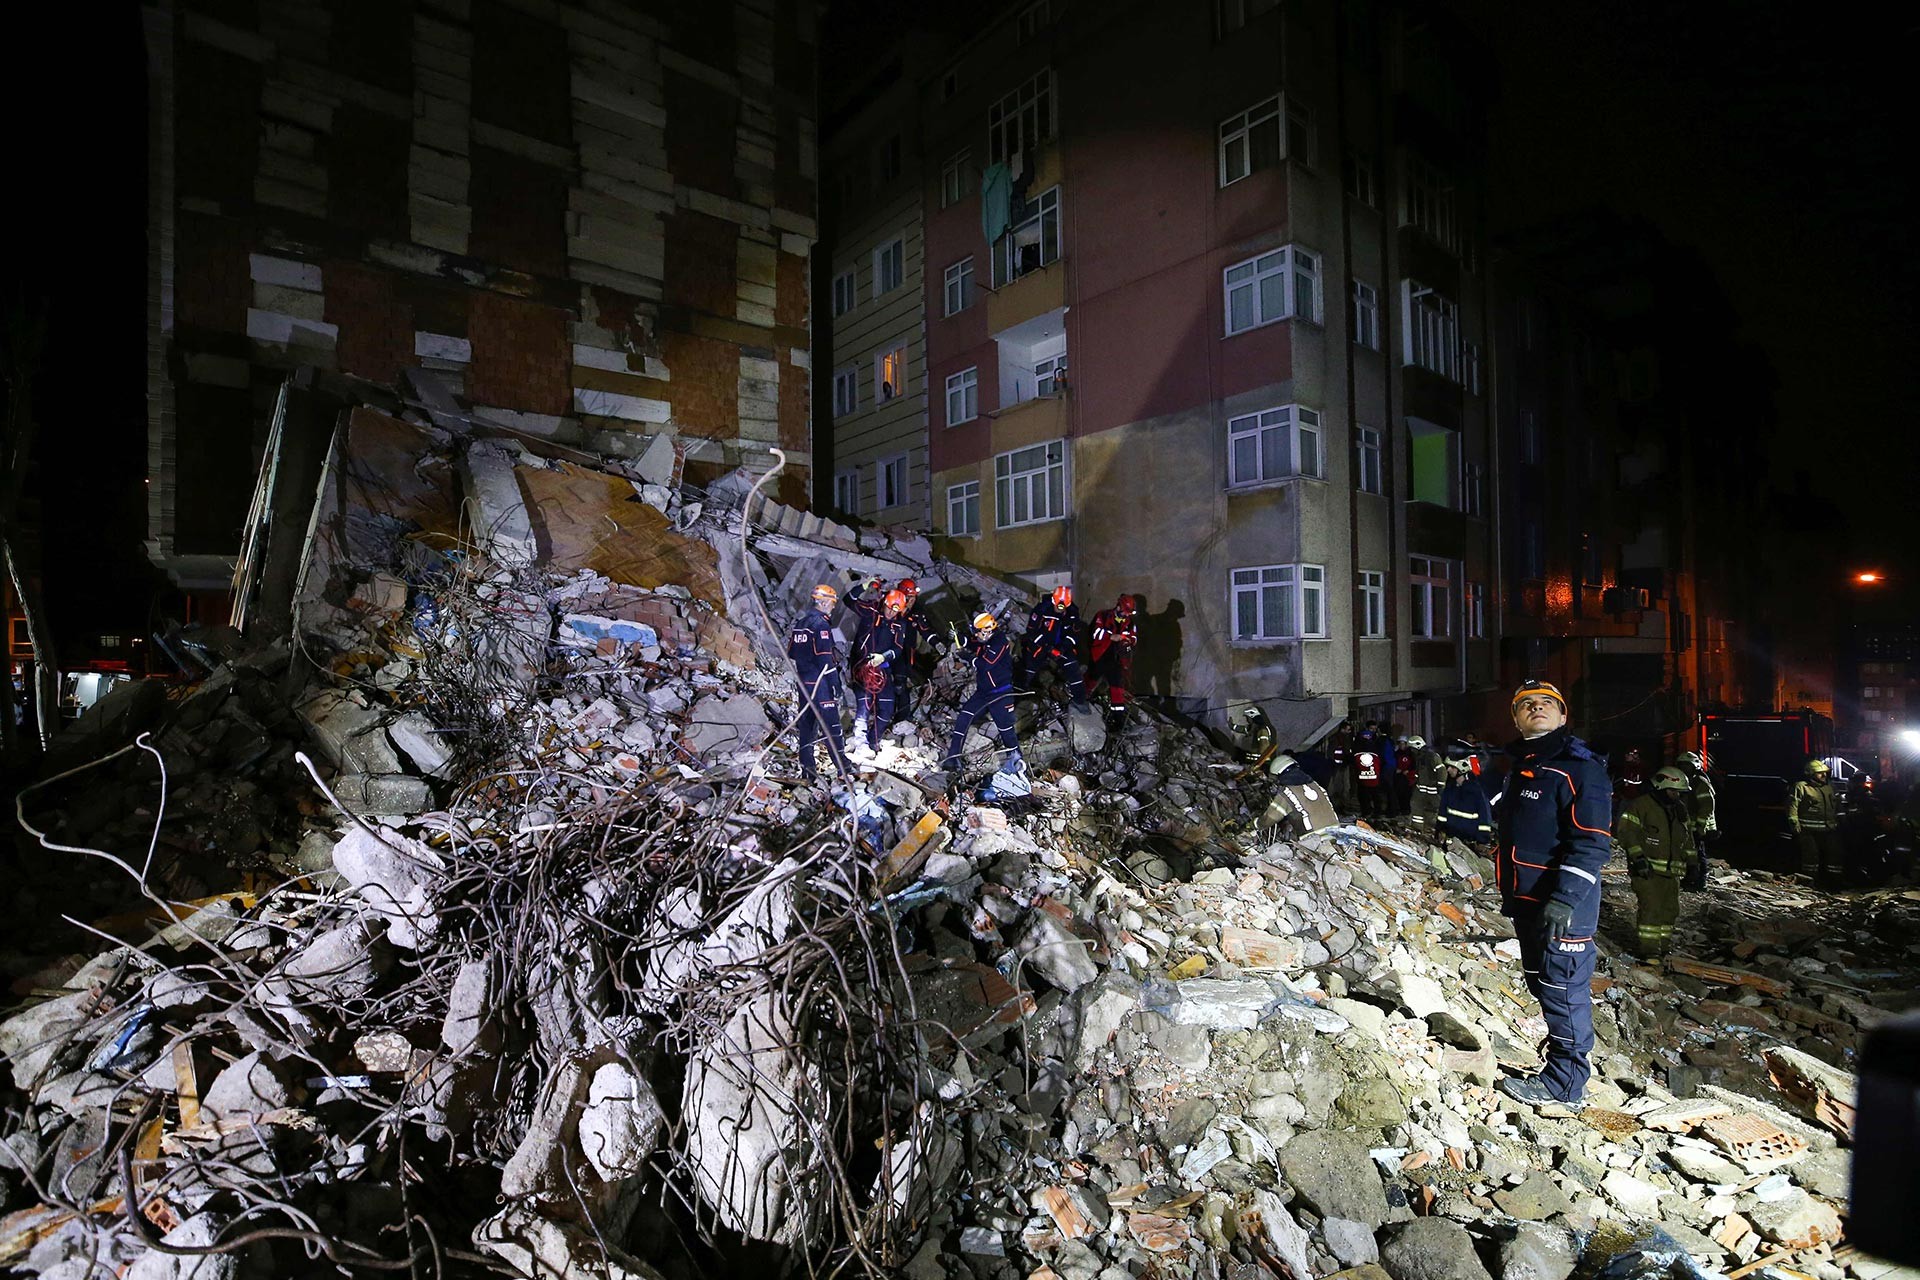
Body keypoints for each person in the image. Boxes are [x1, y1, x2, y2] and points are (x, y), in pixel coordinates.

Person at [1491, 679, 1611, 1107]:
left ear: (1563, 716)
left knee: (1562, 990)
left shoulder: (1579, 769)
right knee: (1543, 986)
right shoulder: (1524, 767)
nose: (1535, 709)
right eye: (1526, 705)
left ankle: (1565, 1085)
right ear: (1516, 718)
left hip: (1563, 908)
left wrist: (1565, 898)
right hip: (1528, 904)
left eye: (1546, 704)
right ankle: (1561, 1063)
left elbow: (1592, 842)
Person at [1618, 766, 1700, 960]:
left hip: (1671, 873)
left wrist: (1693, 864)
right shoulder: (1641, 806)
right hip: (1648, 870)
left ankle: (1663, 947)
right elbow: (1627, 832)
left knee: (1670, 911)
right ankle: (1650, 952)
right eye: (1673, 791)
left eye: (1679, 792)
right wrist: (1638, 859)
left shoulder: (1679, 809)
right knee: (1651, 910)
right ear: (1661, 787)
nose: (1677, 795)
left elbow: (1687, 839)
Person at [944, 611, 1023, 777]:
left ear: (987, 631)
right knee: (965, 716)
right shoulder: (984, 639)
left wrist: (967, 657)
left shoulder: (1000, 642)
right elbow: (974, 643)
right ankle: (953, 756)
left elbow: (986, 664)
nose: (976, 635)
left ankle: (1016, 761)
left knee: (1005, 729)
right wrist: (959, 637)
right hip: (984, 692)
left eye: (978, 632)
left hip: (1001, 693)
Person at [788, 583, 851, 784]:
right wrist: (835, 684)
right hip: (819, 683)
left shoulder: (801, 623)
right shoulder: (821, 626)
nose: (833, 607)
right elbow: (825, 659)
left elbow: (791, 652)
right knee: (831, 726)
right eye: (831, 603)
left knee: (807, 726)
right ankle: (843, 767)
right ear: (823, 602)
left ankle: (808, 769)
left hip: (803, 681)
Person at [850, 589, 912, 761]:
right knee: (864, 706)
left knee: (887, 708)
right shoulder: (870, 612)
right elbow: (849, 600)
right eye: (890, 609)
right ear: (884, 603)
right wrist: (863, 586)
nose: (892, 613)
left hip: (883, 669)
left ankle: (873, 741)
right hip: (863, 666)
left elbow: (898, 649)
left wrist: (883, 657)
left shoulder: (899, 625)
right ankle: (860, 744)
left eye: (896, 611)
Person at [1017, 585, 1089, 709]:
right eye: (1057, 606)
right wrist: (1047, 648)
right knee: (1028, 672)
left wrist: (1063, 647)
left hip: (1062, 647)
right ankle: (1019, 700)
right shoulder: (1042, 609)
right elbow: (1032, 632)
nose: (1059, 609)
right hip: (1040, 646)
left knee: (1073, 668)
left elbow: (1073, 634)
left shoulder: (1072, 613)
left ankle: (1079, 701)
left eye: (1062, 607)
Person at [1255, 753, 1340, 841]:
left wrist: (1256, 824)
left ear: (1278, 774)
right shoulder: (1315, 785)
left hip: (1315, 838)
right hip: (1336, 833)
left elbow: (1271, 817)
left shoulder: (1287, 793)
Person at [1088, 594, 1140, 731]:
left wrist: (1127, 641)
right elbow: (1095, 633)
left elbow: (1133, 639)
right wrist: (1111, 636)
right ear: (1118, 606)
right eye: (1124, 612)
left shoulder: (1130, 623)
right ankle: (1081, 704)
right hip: (1100, 656)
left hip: (1117, 659)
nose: (1125, 616)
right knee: (1091, 680)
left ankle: (1118, 721)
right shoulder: (1103, 616)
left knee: (1117, 688)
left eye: (1128, 613)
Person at [1788, 758, 1841, 883]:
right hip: (1808, 830)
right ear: (1810, 774)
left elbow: (1839, 806)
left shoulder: (1830, 787)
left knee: (1835, 856)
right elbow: (1792, 806)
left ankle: (1834, 882)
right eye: (1819, 773)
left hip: (1830, 829)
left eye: (1825, 773)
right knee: (1811, 857)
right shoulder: (1801, 787)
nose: (1823, 775)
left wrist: (1842, 820)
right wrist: (1794, 823)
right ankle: (1809, 882)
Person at [1675, 749, 1716, 887]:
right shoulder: (1686, 782)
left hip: (1699, 826)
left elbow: (1707, 806)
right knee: (1689, 853)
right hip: (1688, 826)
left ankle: (1700, 882)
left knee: (1698, 854)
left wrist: (1700, 826)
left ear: (1694, 766)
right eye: (1681, 766)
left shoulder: (1700, 782)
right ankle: (1690, 878)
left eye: (1686, 765)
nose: (1683, 768)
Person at [1439, 755, 1494, 846]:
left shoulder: (1476, 791)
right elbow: (1442, 812)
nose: (1448, 770)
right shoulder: (1450, 789)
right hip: (1450, 842)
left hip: (1468, 843)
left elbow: (1485, 816)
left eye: (1452, 767)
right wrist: (1440, 828)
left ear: (1462, 769)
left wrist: (1482, 839)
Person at [1405, 735, 1444, 834]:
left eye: (1412, 749)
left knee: (1433, 811)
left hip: (1433, 790)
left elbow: (1441, 771)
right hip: (1421, 789)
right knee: (1416, 805)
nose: (1411, 751)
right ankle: (1418, 828)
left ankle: (1434, 830)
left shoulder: (1432, 756)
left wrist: (1440, 785)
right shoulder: (1420, 757)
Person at [1353, 736, 1388, 819]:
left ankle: (1366, 813)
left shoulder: (1357, 756)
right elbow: (1383, 764)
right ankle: (1377, 813)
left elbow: (1353, 764)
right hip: (1374, 780)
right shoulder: (1376, 755)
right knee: (1376, 798)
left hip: (1362, 781)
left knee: (1363, 798)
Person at [1613, 747, 1649, 816]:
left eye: (1628, 754)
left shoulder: (1640, 768)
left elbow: (1637, 784)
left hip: (1634, 799)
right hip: (1625, 797)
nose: (1626, 756)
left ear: (1636, 756)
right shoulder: (1627, 766)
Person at [1328, 725, 1355, 812]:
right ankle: (1341, 805)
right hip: (1339, 766)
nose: (1349, 732)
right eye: (1348, 730)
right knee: (1340, 786)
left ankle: (1341, 805)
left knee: (1342, 786)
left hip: (1341, 765)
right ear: (1342, 729)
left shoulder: (1344, 738)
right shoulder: (1339, 739)